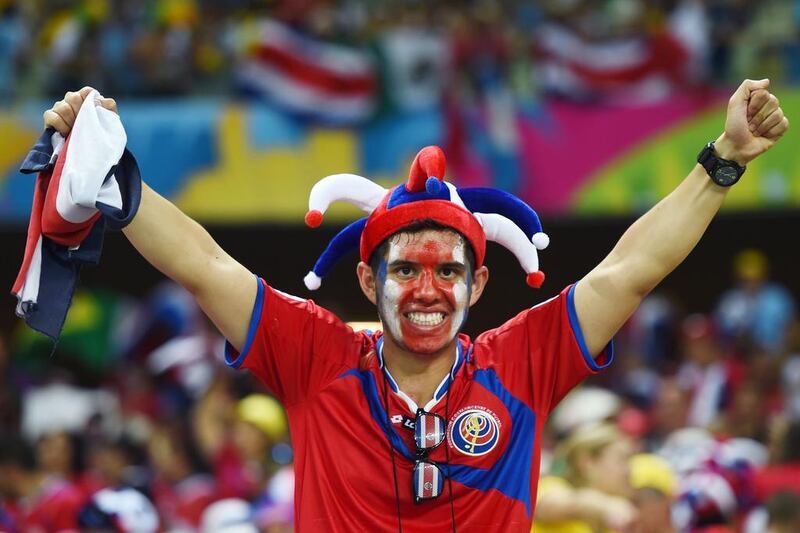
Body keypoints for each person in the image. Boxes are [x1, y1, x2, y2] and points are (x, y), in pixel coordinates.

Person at [39, 78, 788, 531]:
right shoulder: (318, 356)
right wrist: (113, 180)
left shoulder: (522, 361)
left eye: (448, 270)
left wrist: (719, 163)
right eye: (406, 269)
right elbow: (205, 265)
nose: (428, 289)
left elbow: (630, 270)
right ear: (368, 283)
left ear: (479, 285)